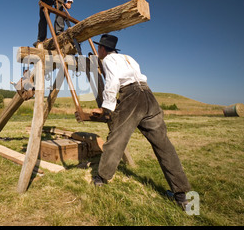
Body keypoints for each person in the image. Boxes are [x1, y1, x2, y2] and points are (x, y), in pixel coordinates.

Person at [78, 34, 191, 209]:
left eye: (99, 48)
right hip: (148, 96)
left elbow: (113, 81)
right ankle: (181, 195)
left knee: (117, 138)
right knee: (164, 145)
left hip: (132, 97)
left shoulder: (108, 60)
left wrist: (106, 107)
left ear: (102, 49)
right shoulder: (129, 58)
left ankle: (101, 178)